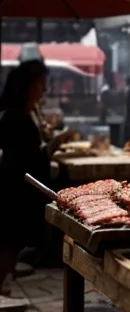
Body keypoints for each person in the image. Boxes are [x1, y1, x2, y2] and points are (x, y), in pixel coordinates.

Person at [0, 60, 74, 294]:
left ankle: (4, 280)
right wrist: (55, 143)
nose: (44, 89)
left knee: (13, 240)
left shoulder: (25, 113)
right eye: (41, 84)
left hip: (19, 186)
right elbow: (28, 158)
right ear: (28, 86)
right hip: (15, 189)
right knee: (10, 240)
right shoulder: (15, 117)